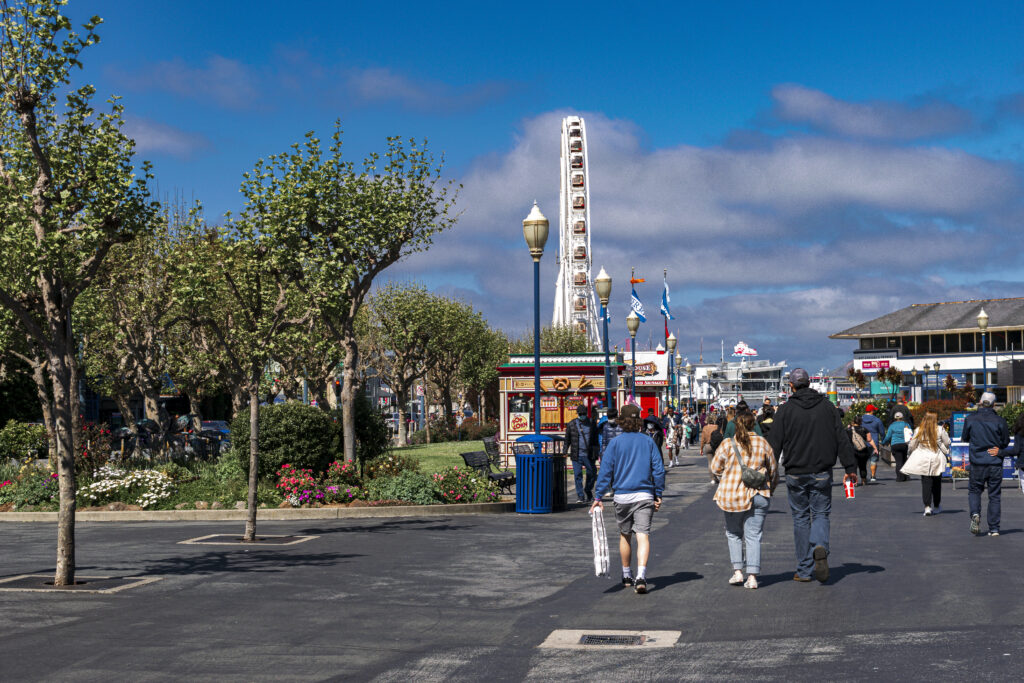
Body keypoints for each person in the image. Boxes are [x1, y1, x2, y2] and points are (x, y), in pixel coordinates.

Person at [766, 368, 857, 584]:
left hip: (795, 472)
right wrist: (850, 467)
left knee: (800, 518)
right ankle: (820, 546)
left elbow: (774, 444)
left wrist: (769, 471)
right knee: (821, 514)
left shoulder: (786, 410)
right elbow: (841, 439)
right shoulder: (828, 407)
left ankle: (805, 570)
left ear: (791, 386)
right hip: (822, 471)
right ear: (810, 383)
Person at [590, 404, 666, 594]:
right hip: (644, 494)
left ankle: (626, 574)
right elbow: (658, 469)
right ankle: (641, 575)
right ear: (639, 420)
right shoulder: (648, 441)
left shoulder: (615, 443)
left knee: (625, 535)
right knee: (643, 535)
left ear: (621, 421)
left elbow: (605, 472)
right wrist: (658, 493)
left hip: (622, 495)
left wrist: (598, 496)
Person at [711, 411, 778, 590]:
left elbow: (715, 467)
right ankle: (753, 577)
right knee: (753, 536)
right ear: (753, 424)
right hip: (759, 493)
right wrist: (770, 487)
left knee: (733, 534)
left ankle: (738, 572)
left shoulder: (727, 444)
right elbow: (773, 468)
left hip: (733, 495)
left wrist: (726, 476)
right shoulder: (763, 443)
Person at [962, 392, 1010, 536]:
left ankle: (975, 513)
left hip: (977, 461)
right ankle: (994, 528)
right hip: (994, 461)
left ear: (980, 402)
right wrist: (998, 448)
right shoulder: (1000, 421)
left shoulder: (970, 419)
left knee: (975, 490)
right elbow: (1005, 441)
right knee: (994, 495)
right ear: (994, 404)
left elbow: (965, 437)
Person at [902, 411, 951, 515]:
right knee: (937, 484)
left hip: (923, 458)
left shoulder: (919, 430)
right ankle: (937, 505)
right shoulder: (939, 429)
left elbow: (912, 444)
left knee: (926, 484)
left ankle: (927, 507)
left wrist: (910, 453)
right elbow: (947, 442)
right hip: (937, 458)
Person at [565, 405, 598, 503]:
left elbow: (596, 439)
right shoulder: (572, 424)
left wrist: (597, 451)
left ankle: (588, 490)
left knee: (591, 473)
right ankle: (580, 496)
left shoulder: (591, 423)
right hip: (576, 453)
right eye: (580, 414)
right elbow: (567, 440)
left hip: (589, 454)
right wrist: (564, 451)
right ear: (578, 414)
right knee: (578, 475)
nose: (582, 415)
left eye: (583, 414)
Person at [882, 411, 913, 482]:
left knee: (898, 461)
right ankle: (906, 477)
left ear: (895, 418)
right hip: (904, 444)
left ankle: (900, 477)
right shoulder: (906, 424)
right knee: (904, 460)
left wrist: (883, 442)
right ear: (902, 417)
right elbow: (911, 434)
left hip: (895, 445)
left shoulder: (892, 426)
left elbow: (888, 436)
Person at [847, 415, 877, 485]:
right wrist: (875, 448)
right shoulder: (864, 429)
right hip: (863, 450)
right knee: (863, 466)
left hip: (852, 451)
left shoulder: (848, 430)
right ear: (861, 422)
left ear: (853, 421)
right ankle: (863, 480)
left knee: (853, 466)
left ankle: (854, 482)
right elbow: (869, 440)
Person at [860, 405, 885, 483]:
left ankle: (863, 478)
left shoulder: (860, 419)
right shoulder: (877, 420)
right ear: (871, 411)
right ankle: (873, 476)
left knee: (863, 461)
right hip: (874, 442)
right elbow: (882, 432)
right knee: (873, 460)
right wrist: (883, 441)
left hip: (862, 443)